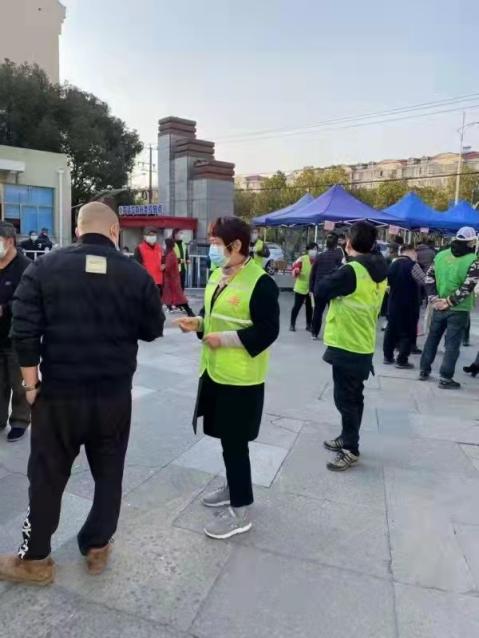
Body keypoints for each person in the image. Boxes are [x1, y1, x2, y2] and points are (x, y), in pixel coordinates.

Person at [0, 202, 165, 586]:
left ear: (78, 229)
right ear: (115, 231)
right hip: (113, 397)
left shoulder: (44, 268)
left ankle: (35, 559)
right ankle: (97, 546)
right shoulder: (136, 275)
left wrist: (30, 386)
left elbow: (23, 330)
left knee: (46, 475)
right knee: (109, 472)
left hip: (59, 396)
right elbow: (153, 328)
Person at [176, 217, 279, 540]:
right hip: (215, 371)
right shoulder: (217, 275)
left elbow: (267, 331)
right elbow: (212, 315)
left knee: (235, 443)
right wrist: (198, 324)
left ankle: (241, 508)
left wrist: (225, 339)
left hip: (241, 379)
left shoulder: (260, 282)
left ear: (236, 245)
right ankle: (234, 486)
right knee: (226, 439)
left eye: (216, 244)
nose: (212, 249)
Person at [315, 221, 387, 472]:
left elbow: (321, 289)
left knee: (345, 399)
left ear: (349, 242)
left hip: (347, 343)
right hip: (362, 342)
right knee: (354, 397)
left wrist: (343, 265)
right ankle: (347, 437)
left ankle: (350, 449)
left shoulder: (352, 271)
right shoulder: (379, 268)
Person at [419, 227, 479, 389]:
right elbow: (468, 286)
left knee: (432, 339)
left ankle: (424, 370)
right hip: (459, 309)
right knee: (452, 345)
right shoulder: (473, 260)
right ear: (471, 242)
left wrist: (434, 298)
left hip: (438, 305)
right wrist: (450, 302)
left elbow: (428, 277)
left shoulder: (441, 255)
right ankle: (445, 378)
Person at [0, 223, 31, 442]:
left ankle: (20, 420)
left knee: (18, 382)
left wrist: (5, 308)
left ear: (9, 241)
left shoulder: (25, 266)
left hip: (17, 333)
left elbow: (28, 299)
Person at [383, 244, 424, 369]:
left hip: (393, 303)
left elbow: (386, 283)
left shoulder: (393, 264)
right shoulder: (413, 265)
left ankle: (388, 356)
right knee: (407, 332)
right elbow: (424, 281)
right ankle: (402, 360)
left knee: (391, 330)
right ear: (411, 252)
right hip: (409, 304)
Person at [310, 233, 344, 340]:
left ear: (326, 244)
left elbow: (313, 273)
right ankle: (332, 333)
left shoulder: (319, 256)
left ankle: (314, 333)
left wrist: (311, 288)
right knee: (332, 312)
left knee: (317, 312)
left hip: (319, 288)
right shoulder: (339, 257)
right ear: (336, 245)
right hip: (332, 289)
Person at [163, 238, 195, 316]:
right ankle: (187, 311)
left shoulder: (169, 254)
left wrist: (163, 268)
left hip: (171, 279)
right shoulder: (171, 253)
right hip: (173, 279)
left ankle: (189, 312)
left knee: (179, 297)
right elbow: (175, 261)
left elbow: (168, 267)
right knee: (176, 296)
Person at [289, 242, 318, 332]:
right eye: (312, 249)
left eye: (315, 249)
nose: (314, 251)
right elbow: (294, 267)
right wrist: (296, 270)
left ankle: (308, 325)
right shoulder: (302, 259)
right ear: (308, 250)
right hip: (300, 288)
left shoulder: (318, 260)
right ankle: (292, 324)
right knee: (296, 307)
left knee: (309, 308)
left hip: (311, 289)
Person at [134, 228, 164, 295]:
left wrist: (164, 265)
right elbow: (136, 266)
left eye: (154, 235)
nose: (152, 237)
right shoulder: (139, 248)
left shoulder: (159, 248)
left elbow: (163, 261)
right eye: (150, 235)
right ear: (145, 236)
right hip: (146, 282)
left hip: (158, 281)